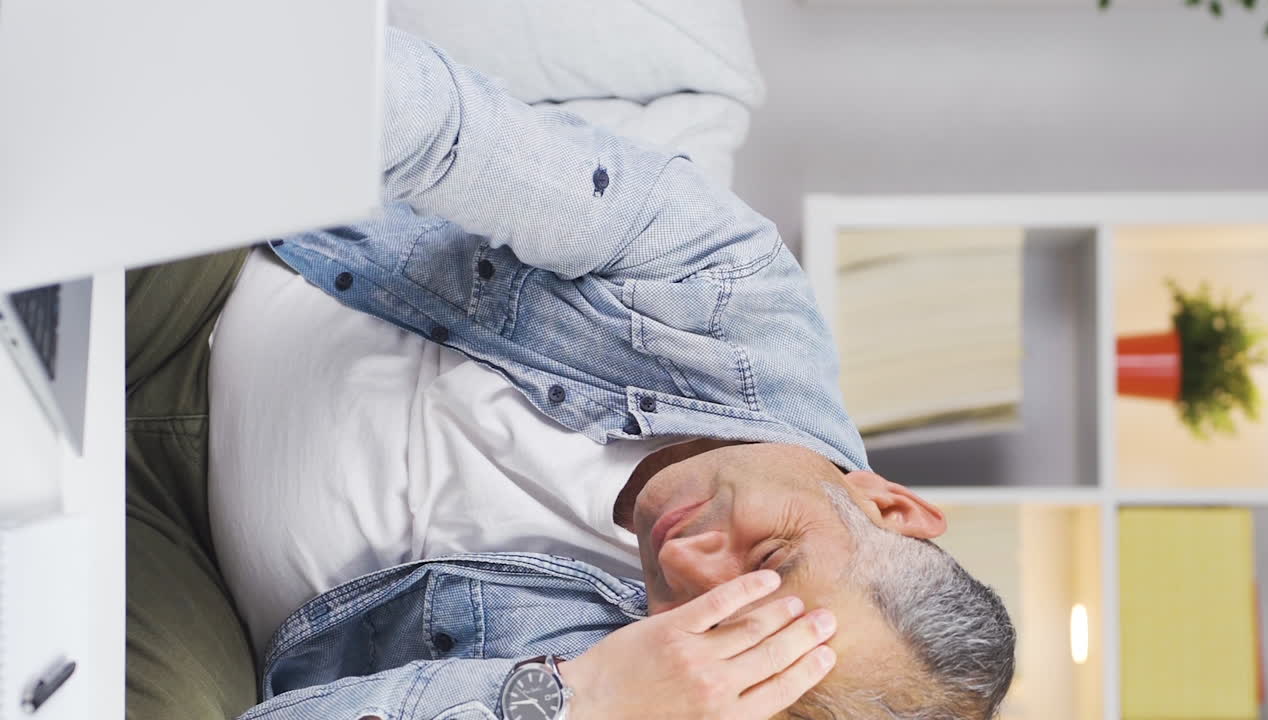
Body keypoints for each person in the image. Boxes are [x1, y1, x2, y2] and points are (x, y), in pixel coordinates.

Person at [126, 27, 1015, 720]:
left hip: (178, 575)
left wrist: (575, 697)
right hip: (208, 283)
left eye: (719, 635)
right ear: (887, 502)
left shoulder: (642, 696)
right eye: (771, 555)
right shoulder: (728, 296)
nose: (690, 559)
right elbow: (445, 133)